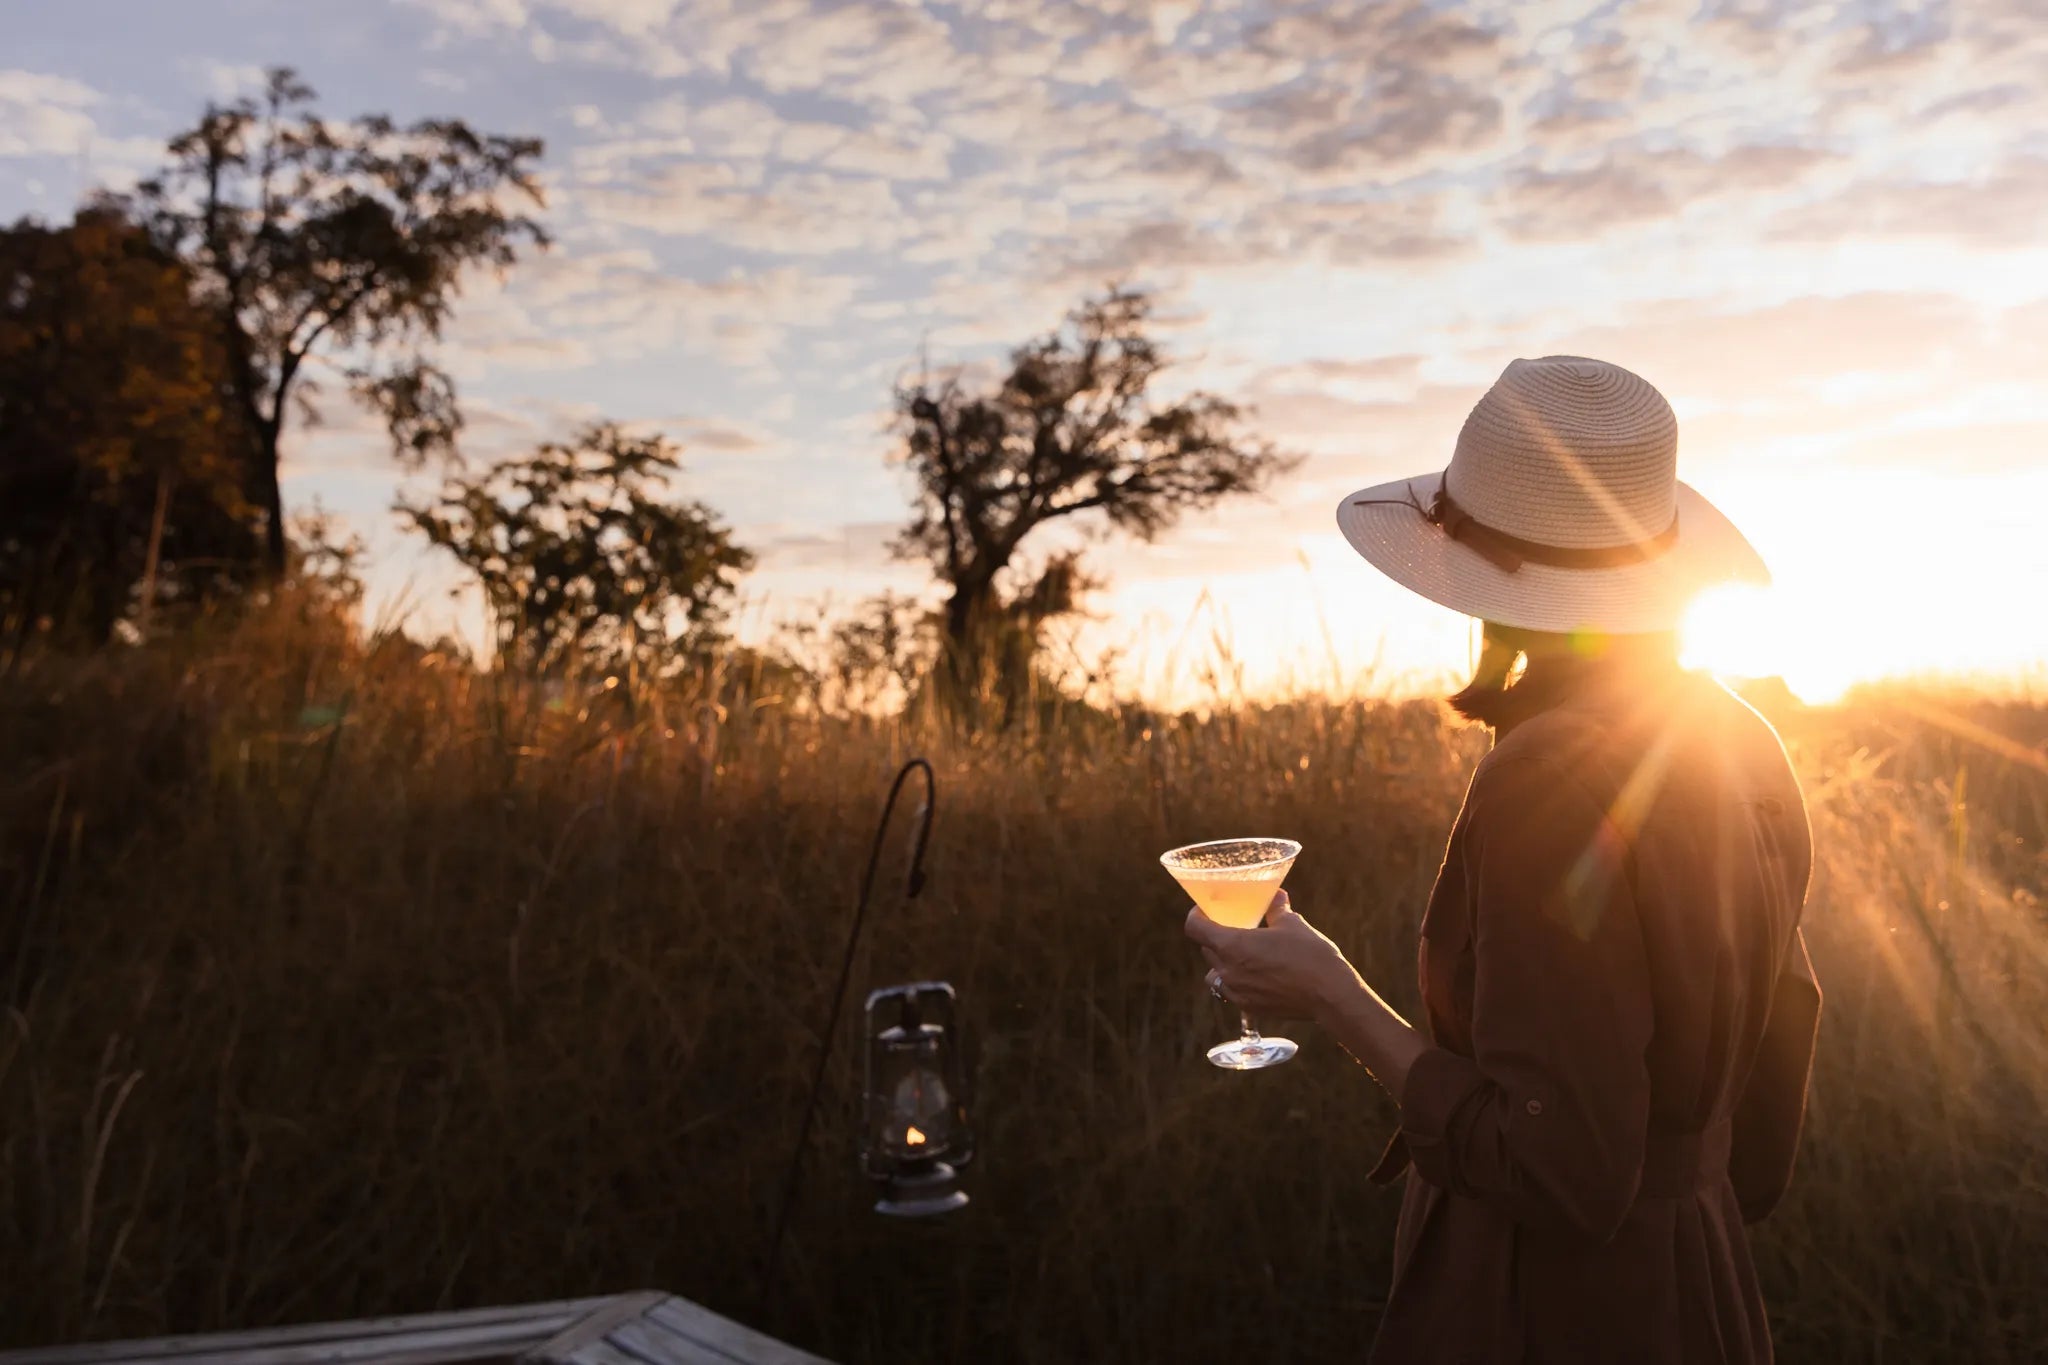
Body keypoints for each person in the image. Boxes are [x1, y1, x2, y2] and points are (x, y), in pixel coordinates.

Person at [1186, 356, 1822, 1364]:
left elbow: (1556, 1171)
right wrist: (1683, 1192)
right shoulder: (1742, 737)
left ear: (1491, 587)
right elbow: (1783, 1039)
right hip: (1696, 1279)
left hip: (1548, 1308)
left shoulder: (1547, 777)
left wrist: (1331, 995)